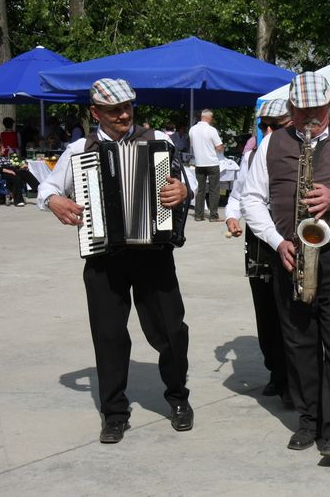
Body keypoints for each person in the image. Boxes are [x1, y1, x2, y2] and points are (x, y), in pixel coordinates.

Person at [240, 72, 330, 460]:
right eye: (302, 111)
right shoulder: (271, 143)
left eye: (318, 110)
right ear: (290, 109)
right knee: (299, 343)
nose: (310, 118)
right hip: (290, 253)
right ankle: (310, 420)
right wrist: (276, 241)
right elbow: (251, 200)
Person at [37, 78, 193, 444]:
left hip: (154, 253)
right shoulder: (80, 149)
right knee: (108, 337)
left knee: (171, 333)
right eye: (114, 110)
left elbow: (188, 186)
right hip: (105, 256)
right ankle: (114, 413)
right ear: (96, 113)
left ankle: (178, 399)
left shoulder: (159, 142)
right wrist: (55, 202)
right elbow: (47, 188)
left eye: (127, 107)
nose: (123, 115)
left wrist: (182, 191)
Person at [225, 99, 292, 405]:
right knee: (266, 314)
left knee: (292, 314)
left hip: (290, 241)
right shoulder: (252, 154)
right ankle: (276, 373)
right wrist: (231, 215)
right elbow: (238, 195)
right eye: (264, 125)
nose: (268, 131)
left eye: (276, 125)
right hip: (259, 245)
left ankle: (295, 378)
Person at [189, 109, 224, 221]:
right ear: (209, 118)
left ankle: (198, 215)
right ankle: (213, 215)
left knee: (200, 190)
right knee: (214, 190)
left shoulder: (192, 130)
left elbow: (192, 144)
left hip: (199, 163)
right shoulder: (211, 130)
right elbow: (219, 147)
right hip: (212, 163)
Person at [0, 138, 40, 206]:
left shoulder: (3, 156)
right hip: (2, 173)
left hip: (11, 170)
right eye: (2, 148)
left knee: (26, 173)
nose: (4, 149)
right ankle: (18, 201)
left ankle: (40, 190)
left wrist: (20, 167)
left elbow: (11, 165)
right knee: (16, 178)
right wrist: (8, 171)